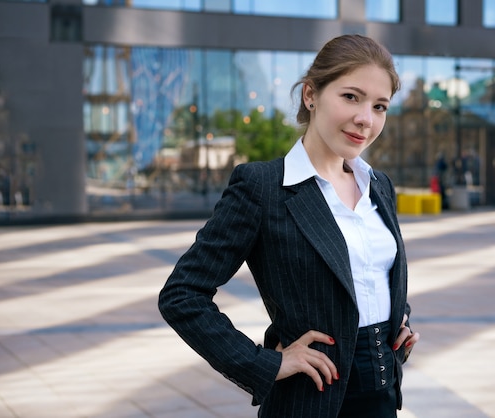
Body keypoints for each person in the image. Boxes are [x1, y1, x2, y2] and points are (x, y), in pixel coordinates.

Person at [158, 34, 419, 418]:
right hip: (309, 401)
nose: (366, 118)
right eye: (351, 97)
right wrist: (265, 363)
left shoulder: (378, 186)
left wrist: (399, 317)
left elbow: (371, 272)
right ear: (311, 95)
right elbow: (182, 295)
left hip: (381, 399)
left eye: (379, 106)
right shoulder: (263, 187)